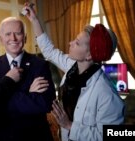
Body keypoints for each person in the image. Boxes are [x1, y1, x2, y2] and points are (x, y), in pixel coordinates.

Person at [24, 4, 125, 141]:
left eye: (77, 43)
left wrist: (69, 125)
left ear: (89, 55)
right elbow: (50, 51)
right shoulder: (73, 67)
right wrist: (34, 20)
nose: (70, 43)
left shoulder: (107, 94)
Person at [0, 17, 56, 141]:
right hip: (3, 136)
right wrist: (29, 94)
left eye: (18, 33)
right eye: (8, 34)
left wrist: (1, 98)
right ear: (1, 39)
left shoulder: (40, 64)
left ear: (25, 37)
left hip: (35, 136)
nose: (13, 38)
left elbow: (45, 104)